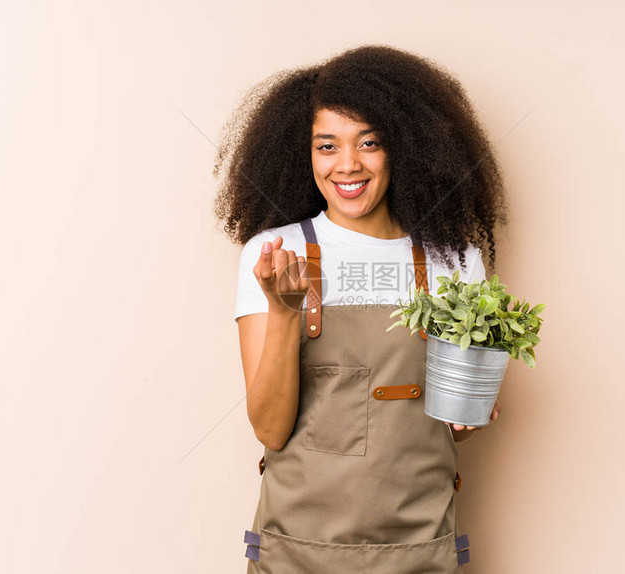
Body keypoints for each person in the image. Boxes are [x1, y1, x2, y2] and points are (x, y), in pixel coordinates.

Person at [214, 44, 508, 573]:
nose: (347, 165)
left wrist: (470, 408)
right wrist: (284, 312)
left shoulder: (455, 261)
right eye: (326, 145)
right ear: (301, 153)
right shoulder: (273, 255)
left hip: (419, 549)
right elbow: (270, 430)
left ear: (406, 147)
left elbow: (458, 420)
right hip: (296, 553)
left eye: (369, 143)